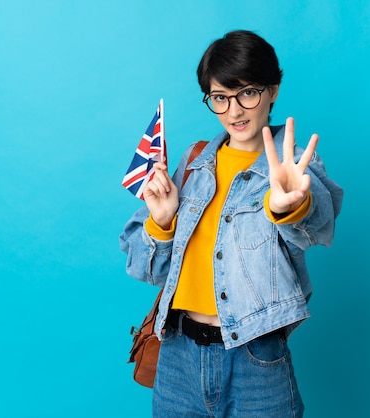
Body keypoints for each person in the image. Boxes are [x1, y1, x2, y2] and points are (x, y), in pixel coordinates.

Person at [120, 30, 343, 418]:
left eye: (247, 93)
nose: (234, 111)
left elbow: (319, 221)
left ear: (272, 90)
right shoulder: (194, 161)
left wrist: (289, 205)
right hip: (177, 355)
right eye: (220, 97)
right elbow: (145, 267)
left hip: (255, 359)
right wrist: (161, 220)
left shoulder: (293, 167)